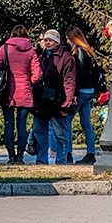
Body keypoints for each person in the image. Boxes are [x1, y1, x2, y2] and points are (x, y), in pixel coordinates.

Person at [0, 26, 37, 164]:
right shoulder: (31, 50)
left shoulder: (5, 48)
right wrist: (30, 80)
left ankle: (11, 156)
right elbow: (37, 73)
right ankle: (21, 156)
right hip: (24, 91)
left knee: (8, 124)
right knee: (22, 125)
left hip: (7, 92)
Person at [30, 29, 76, 165]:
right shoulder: (42, 55)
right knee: (39, 130)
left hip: (57, 99)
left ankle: (61, 160)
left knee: (60, 133)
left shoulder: (65, 57)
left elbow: (69, 79)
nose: (47, 42)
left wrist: (68, 99)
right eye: (46, 40)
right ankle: (41, 160)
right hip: (41, 99)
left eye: (50, 40)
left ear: (57, 42)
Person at [66, 26, 99, 165]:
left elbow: (79, 74)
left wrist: (73, 93)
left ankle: (67, 152)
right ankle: (91, 153)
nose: (67, 40)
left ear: (73, 38)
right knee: (86, 123)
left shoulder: (79, 51)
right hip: (89, 90)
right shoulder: (88, 51)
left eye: (68, 38)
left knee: (67, 120)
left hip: (81, 90)